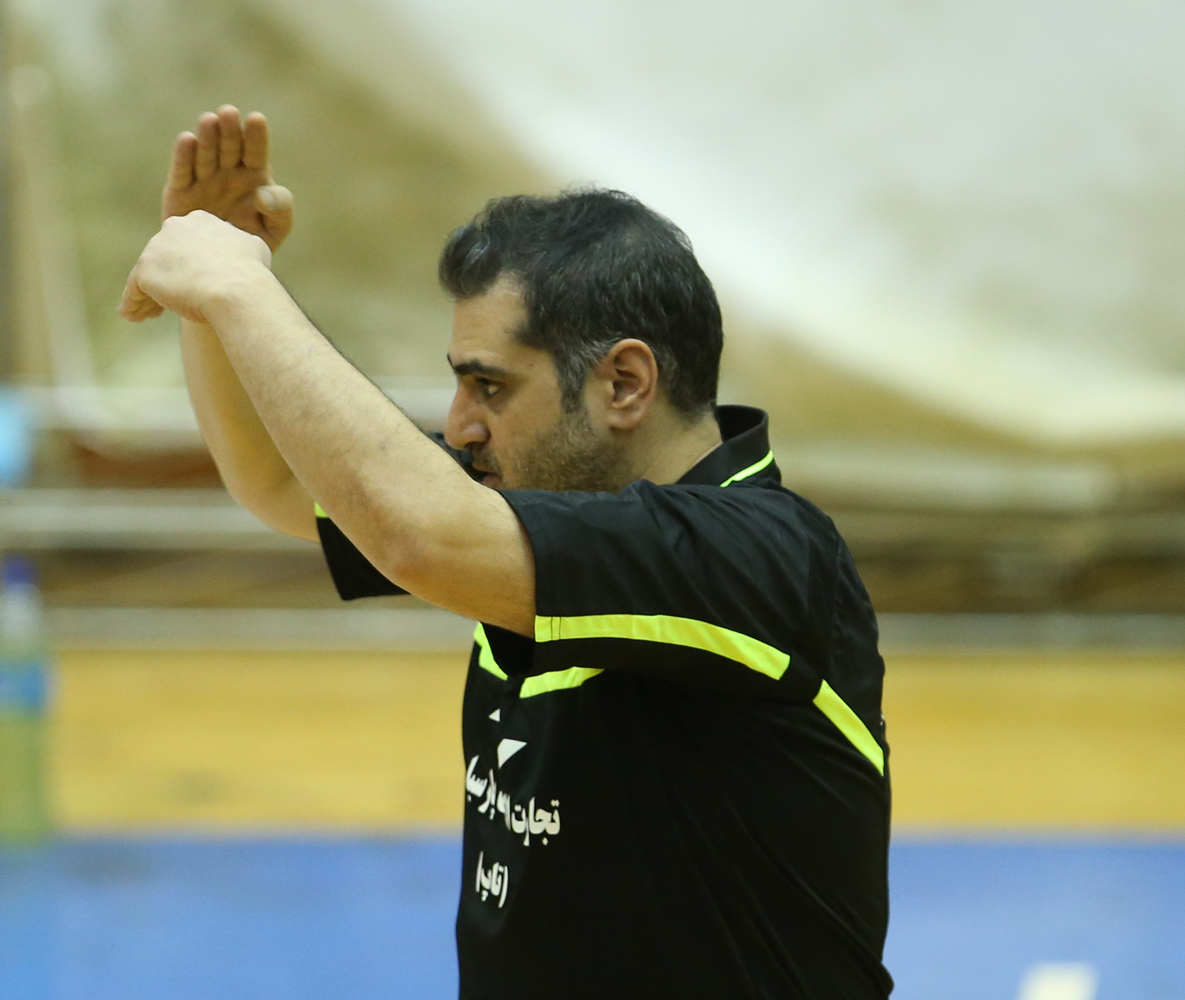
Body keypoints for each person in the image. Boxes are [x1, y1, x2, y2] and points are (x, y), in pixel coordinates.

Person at [121, 105, 894, 998]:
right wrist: (208, 292)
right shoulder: (534, 498)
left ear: (624, 383)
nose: (460, 426)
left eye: (489, 386)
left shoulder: (758, 554)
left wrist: (240, 290)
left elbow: (419, 534)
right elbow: (278, 479)